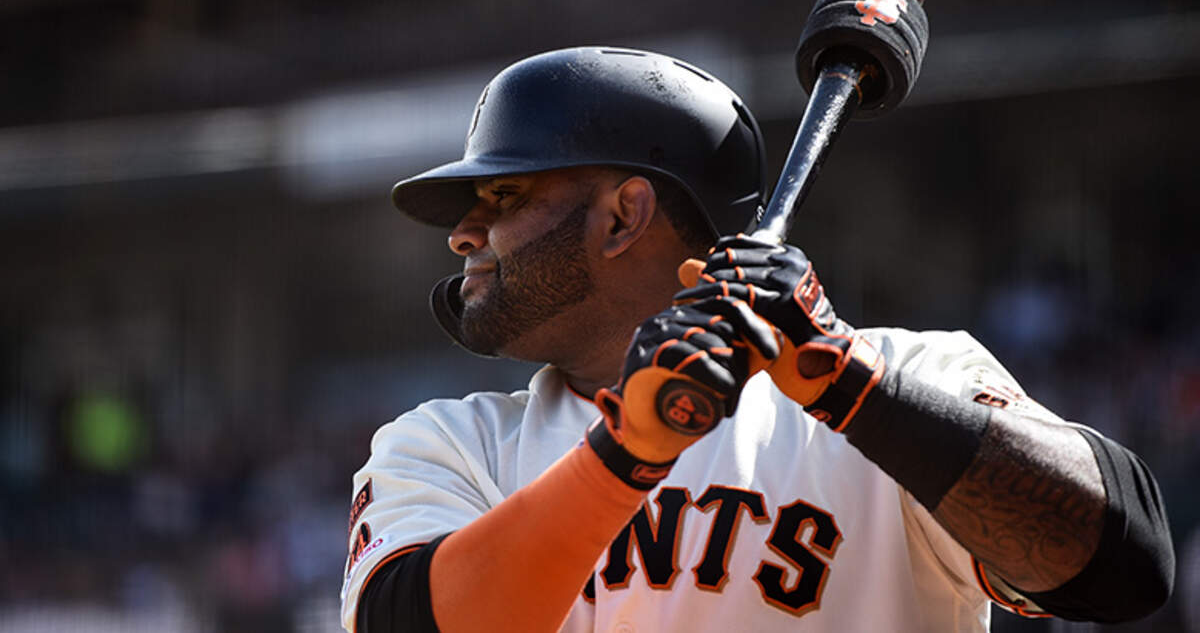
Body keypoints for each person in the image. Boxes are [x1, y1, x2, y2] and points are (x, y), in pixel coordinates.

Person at [339, 47, 1174, 632]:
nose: (463, 235)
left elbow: (1123, 562)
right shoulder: (446, 446)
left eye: (504, 197)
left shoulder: (905, 377)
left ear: (625, 215)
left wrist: (853, 386)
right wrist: (629, 450)